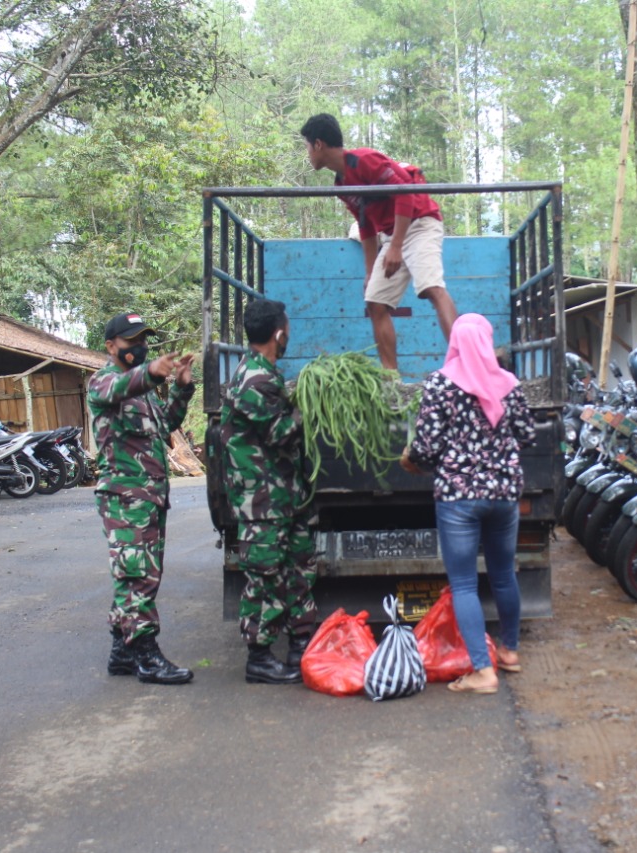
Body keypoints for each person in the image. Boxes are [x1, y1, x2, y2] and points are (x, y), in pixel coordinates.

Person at [401, 314, 535, 694]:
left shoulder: (441, 384)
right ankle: (509, 652)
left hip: (459, 499)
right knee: (503, 574)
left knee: (463, 584)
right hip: (505, 496)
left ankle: (482, 671)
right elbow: (526, 435)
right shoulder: (508, 383)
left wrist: (421, 462)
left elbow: (425, 448)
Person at [300, 113, 458, 371]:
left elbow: (405, 194)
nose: (307, 153)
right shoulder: (341, 184)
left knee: (432, 287)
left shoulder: (364, 160)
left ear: (318, 144)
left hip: (419, 223)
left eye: (307, 146)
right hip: (390, 234)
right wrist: (370, 269)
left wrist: (395, 246)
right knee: (375, 301)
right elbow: (366, 225)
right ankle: (390, 379)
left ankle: (466, 363)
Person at [88, 311, 197, 685]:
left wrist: (181, 387)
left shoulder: (144, 392)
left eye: (142, 340)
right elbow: (122, 388)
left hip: (149, 497)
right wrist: (150, 372)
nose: (139, 347)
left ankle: (121, 651)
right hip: (124, 497)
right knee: (136, 576)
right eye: (132, 342)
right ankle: (146, 656)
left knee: (143, 574)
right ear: (111, 346)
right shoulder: (103, 382)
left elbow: (166, 425)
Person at [221, 299, 316, 684]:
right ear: (279, 333)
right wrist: (311, 405)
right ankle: (259, 657)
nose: (289, 335)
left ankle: (302, 644)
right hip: (262, 501)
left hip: (283, 497)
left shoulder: (266, 374)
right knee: (266, 575)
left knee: (298, 568)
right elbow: (280, 433)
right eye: (288, 329)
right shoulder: (255, 379)